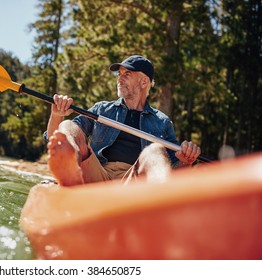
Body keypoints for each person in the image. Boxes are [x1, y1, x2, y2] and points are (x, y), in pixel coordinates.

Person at [44, 55, 201, 186]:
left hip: (133, 184)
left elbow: (173, 172)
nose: (119, 79)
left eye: (127, 74)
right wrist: (57, 115)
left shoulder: (162, 122)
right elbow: (54, 138)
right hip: (96, 174)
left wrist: (186, 161)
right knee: (67, 125)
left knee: (155, 152)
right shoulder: (102, 109)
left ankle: (153, 205)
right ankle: (68, 169)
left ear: (144, 82)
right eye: (119, 74)